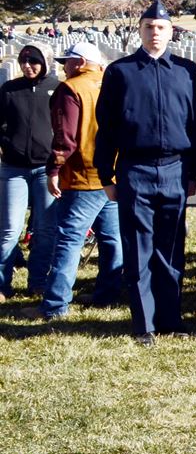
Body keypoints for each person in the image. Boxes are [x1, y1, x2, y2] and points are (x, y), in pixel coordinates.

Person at [94, 0, 196, 344]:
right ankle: (144, 323)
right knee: (138, 247)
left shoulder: (187, 71)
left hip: (175, 167)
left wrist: (194, 173)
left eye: (161, 28)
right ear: (140, 30)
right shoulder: (120, 72)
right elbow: (107, 126)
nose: (155, 33)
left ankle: (172, 318)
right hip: (135, 168)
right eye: (149, 27)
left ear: (171, 32)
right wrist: (105, 174)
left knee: (171, 247)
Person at [31, 43, 123, 320]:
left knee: (69, 240)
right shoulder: (112, 84)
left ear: (81, 62)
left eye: (68, 62)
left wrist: (54, 168)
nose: (63, 67)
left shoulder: (70, 89)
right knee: (112, 239)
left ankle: (55, 305)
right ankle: (108, 294)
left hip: (82, 175)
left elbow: (65, 137)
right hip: (113, 174)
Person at [1, 43, 59, 299]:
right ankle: (3, 285)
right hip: (14, 169)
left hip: (46, 170)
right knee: (10, 230)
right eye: (24, 61)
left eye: (33, 61)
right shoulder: (10, 89)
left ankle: (37, 282)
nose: (28, 66)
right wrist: (6, 144)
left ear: (45, 62)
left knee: (45, 230)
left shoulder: (57, 88)